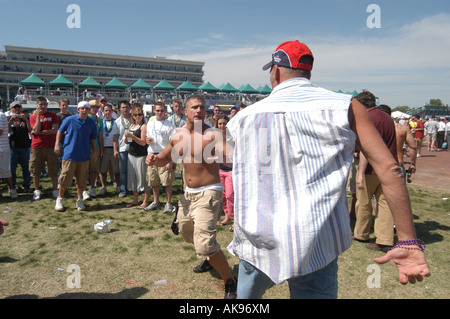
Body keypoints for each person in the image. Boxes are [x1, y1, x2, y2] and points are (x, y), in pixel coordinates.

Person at [226, 40, 429, 299]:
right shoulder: (345, 106)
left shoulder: (244, 117)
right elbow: (390, 167)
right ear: (308, 72)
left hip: (259, 236)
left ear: (276, 72)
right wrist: (408, 240)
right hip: (316, 237)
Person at [145, 95, 237, 299]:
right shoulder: (178, 135)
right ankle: (208, 257)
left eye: (202, 107)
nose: (198, 110)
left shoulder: (211, 134)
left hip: (209, 193)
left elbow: (230, 156)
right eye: (194, 107)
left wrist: (233, 157)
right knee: (186, 232)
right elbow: (164, 158)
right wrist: (153, 159)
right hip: (188, 195)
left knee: (204, 242)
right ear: (185, 112)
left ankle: (230, 281)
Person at [354, 93, 398, 253]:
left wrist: (360, 172)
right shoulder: (387, 117)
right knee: (385, 204)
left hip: (371, 170)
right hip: (389, 168)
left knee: (363, 202)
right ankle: (385, 239)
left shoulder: (369, 118)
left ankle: (361, 233)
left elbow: (367, 149)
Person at [54, 101, 97, 211]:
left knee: (81, 180)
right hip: (69, 155)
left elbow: (93, 139)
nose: (84, 110)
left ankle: (80, 200)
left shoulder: (91, 123)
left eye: (86, 108)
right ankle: (60, 199)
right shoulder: (69, 120)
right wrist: (57, 144)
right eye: (82, 108)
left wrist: (95, 152)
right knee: (64, 179)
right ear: (78, 110)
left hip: (84, 155)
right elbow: (60, 131)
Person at [145, 102, 176, 213]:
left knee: (167, 181)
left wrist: (170, 160)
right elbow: (147, 138)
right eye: (157, 110)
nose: (159, 112)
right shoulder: (150, 123)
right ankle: (156, 201)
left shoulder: (169, 125)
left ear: (165, 112)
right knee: (154, 181)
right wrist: (147, 140)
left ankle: (168, 203)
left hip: (165, 155)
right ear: (154, 111)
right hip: (152, 154)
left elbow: (173, 145)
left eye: (162, 110)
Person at [29, 96, 59, 200]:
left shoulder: (53, 115)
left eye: (45, 104)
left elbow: (55, 129)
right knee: (35, 170)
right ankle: (37, 190)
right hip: (37, 146)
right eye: (41, 104)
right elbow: (36, 130)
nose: (43, 106)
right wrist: (37, 117)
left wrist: (41, 132)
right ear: (37, 105)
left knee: (53, 169)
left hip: (50, 146)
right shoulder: (33, 117)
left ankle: (55, 190)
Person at [124, 107, 151, 208]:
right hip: (132, 155)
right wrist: (127, 137)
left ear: (143, 116)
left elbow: (143, 142)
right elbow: (127, 142)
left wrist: (132, 136)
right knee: (133, 178)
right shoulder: (132, 125)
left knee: (143, 179)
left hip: (141, 156)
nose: (137, 117)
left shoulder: (143, 126)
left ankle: (145, 201)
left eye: (139, 115)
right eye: (135, 115)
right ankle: (135, 199)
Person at [214, 114, 234, 230]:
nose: (222, 125)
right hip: (220, 169)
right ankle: (227, 217)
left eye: (224, 123)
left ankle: (235, 219)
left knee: (231, 195)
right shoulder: (215, 138)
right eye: (220, 123)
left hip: (231, 170)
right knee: (223, 196)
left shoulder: (233, 138)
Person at [7, 102, 31, 193]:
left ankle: (26, 184)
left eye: (18, 107)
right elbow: (8, 131)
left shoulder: (26, 118)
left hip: (25, 146)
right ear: (11, 108)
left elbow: (30, 130)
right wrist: (10, 121)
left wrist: (25, 119)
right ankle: (12, 186)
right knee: (12, 168)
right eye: (15, 107)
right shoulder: (8, 118)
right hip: (13, 146)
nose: (17, 109)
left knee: (26, 168)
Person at [83, 100, 104, 199]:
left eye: (96, 107)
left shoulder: (99, 120)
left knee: (94, 169)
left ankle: (92, 188)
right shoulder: (85, 119)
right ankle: (83, 190)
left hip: (96, 147)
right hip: (85, 147)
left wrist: (101, 150)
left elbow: (100, 136)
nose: (95, 109)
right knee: (83, 170)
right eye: (93, 107)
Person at [99, 104, 120, 196]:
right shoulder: (101, 123)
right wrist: (101, 151)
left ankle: (118, 186)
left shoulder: (116, 122)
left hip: (114, 148)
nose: (107, 112)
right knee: (103, 170)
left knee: (116, 169)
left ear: (112, 112)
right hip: (104, 148)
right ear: (103, 112)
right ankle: (103, 187)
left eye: (109, 111)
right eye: (106, 110)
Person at [115, 100, 132, 197]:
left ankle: (137, 189)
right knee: (123, 171)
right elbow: (115, 137)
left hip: (134, 148)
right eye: (123, 108)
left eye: (127, 107)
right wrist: (115, 150)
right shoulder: (117, 122)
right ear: (120, 109)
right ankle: (123, 189)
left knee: (135, 170)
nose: (125, 109)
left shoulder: (134, 119)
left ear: (130, 108)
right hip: (122, 148)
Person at [0, 106, 17, 198]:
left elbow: (0, 131)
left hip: (2, 148)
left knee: (5, 170)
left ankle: (12, 189)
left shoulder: (0, 115)